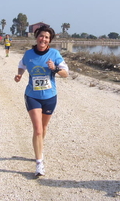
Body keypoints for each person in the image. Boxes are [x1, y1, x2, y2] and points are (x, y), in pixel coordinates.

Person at [14, 25, 69, 177]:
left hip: (50, 97)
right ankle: (39, 163)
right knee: (38, 129)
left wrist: (55, 69)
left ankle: (39, 148)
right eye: (41, 36)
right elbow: (21, 65)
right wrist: (19, 75)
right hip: (32, 96)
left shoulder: (54, 54)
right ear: (36, 37)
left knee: (44, 128)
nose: (43, 39)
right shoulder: (29, 54)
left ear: (49, 40)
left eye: (46, 37)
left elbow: (66, 74)